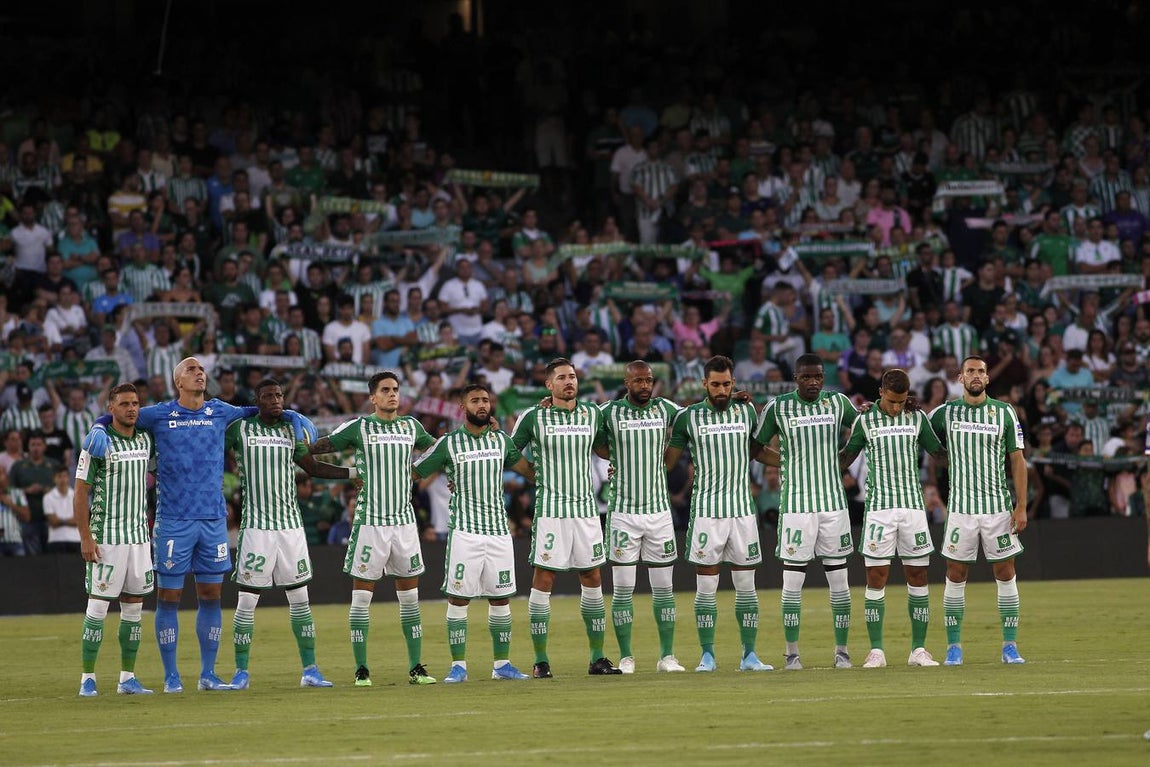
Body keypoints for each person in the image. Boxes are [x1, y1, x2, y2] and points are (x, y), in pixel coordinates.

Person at [86, 357, 314, 693]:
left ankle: (208, 674)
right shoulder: (159, 414)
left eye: (201, 370)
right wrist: (98, 425)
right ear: (178, 380)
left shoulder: (220, 410)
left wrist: (293, 415)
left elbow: (259, 411)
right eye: (191, 370)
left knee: (211, 595)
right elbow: (123, 414)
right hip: (174, 521)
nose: (199, 373)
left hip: (212, 520)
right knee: (170, 597)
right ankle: (171, 676)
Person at [307, 371, 438, 687]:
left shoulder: (412, 427)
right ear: (372, 397)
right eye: (385, 390)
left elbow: (441, 450)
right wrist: (340, 468)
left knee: (410, 599)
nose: (392, 394)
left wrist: (427, 473)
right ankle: (361, 668)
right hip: (369, 525)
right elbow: (317, 448)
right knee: (362, 600)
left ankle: (416, 667)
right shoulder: (358, 427)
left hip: (404, 524)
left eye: (395, 389)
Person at [225, 378, 353, 691]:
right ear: (257, 400)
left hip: (291, 528)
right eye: (268, 396)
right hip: (256, 528)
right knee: (246, 601)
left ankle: (310, 669)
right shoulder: (240, 430)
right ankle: (241, 672)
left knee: (300, 599)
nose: (276, 400)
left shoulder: (290, 430)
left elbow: (312, 467)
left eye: (279, 395)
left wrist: (352, 474)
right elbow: (210, 446)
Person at [412, 384, 537, 683]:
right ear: (462, 407)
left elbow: (530, 471)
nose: (482, 405)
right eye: (475, 400)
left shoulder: (502, 441)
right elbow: (415, 473)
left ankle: (502, 664)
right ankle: (459, 666)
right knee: (458, 599)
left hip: (498, 532)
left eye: (485, 400)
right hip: (464, 533)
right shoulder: (448, 444)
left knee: (501, 599)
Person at [511, 357, 622, 678]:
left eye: (572, 376)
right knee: (544, 580)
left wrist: (614, 461)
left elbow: (603, 447)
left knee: (593, 579)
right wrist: (532, 474)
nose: (568, 381)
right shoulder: (534, 416)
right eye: (561, 377)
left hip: (586, 513)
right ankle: (541, 660)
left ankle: (598, 657)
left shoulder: (592, 413)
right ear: (549, 385)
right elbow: (508, 450)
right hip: (551, 514)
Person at [663, 355, 773, 673]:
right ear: (704, 384)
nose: (722, 390)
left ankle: (749, 655)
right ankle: (707, 656)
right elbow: (667, 461)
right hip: (707, 513)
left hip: (742, 512)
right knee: (707, 588)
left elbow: (756, 450)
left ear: (734, 382)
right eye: (716, 385)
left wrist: (789, 460)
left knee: (746, 586)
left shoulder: (746, 410)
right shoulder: (688, 418)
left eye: (727, 384)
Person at [754, 353, 859, 670]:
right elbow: (756, 447)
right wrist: (784, 462)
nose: (813, 382)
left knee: (839, 582)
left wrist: (845, 459)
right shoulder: (778, 406)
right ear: (796, 378)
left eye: (818, 376)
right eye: (806, 377)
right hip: (796, 508)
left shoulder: (838, 403)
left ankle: (842, 652)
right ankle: (792, 653)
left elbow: (865, 427)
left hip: (833, 506)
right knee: (792, 584)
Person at [838, 369, 946, 668]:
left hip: (913, 508)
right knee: (876, 579)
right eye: (892, 401)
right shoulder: (865, 419)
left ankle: (919, 650)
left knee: (919, 577)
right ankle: (876, 651)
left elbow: (938, 453)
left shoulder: (917, 418)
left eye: (901, 401)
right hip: (878, 510)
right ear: (881, 391)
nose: (897, 407)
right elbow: (847, 457)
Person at [929, 355, 1028, 665]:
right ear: (960, 378)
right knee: (955, 575)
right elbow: (915, 428)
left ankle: (1010, 646)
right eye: (970, 370)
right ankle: (953, 647)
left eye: (981, 371)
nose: (975, 375)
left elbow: (1017, 460)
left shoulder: (1004, 413)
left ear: (987, 379)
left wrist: (1021, 505)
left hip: (998, 509)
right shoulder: (945, 412)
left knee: (1006, 572)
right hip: (960, 511)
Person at [596, 361, 686, 673]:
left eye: (648, 380)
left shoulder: (666, 408)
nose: (645, 386)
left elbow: (698, 414)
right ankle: (626, 657)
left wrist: (733, 401)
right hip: (622, 513)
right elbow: (588, 432)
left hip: (659, 512)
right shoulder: (608, 412)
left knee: (664, 588)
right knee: (622, 588)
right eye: (638, 381)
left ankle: (667, 656)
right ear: (627, 382)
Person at [74, 383, 155, 696]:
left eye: (135, 403)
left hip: (138, 538)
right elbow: (80, 493)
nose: (131, 409)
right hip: (106, 538)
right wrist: (86, 537)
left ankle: (127, 678)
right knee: (97, 608)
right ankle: (87, 678)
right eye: (124, 404)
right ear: (111, 408)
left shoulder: (146, 439)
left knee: (133, 609)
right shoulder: (98, 442)